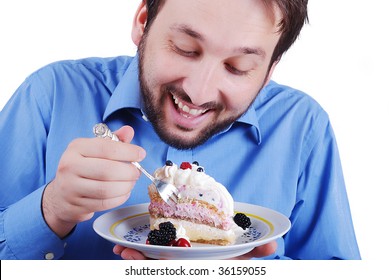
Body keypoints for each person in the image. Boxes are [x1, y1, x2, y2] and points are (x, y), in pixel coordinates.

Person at [0, 0, 360, 260]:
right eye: (186, 49)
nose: (199, 92)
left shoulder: (303, 126)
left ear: (269, 69)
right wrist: (52, 209)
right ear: (143, 22)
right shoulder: (51, 94)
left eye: (237, 67)